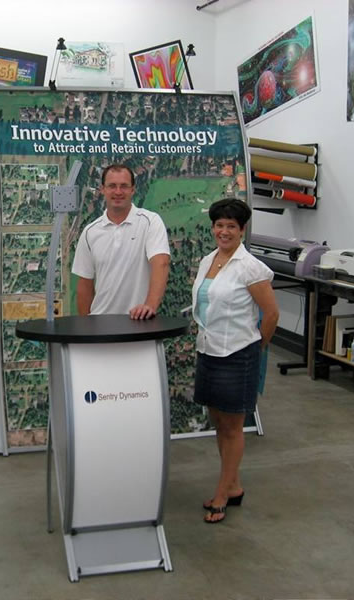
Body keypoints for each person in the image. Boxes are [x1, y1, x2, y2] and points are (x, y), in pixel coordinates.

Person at [190, 197, 279, 524]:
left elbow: (271, 314)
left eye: (231, 226)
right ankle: (234, 485)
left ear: (242, 230)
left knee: (233, 427)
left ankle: (222, 494)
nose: (224, 231)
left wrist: (256, 347)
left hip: (237, 354)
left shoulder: (249, 267)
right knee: (219, 422)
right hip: (209, 350)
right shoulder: (208, 260)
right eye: (219, 225)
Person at [72, 164, 170, 319]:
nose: (118, 192)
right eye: (112, 186)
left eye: (124, 186)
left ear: (133, 190)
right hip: (101, 323)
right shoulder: (90, 232)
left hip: (140, 322)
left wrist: (149, 306)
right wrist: (86, 325)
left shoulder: (150, 222)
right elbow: (84, 284)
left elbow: (161, 263)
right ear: (102, 189)